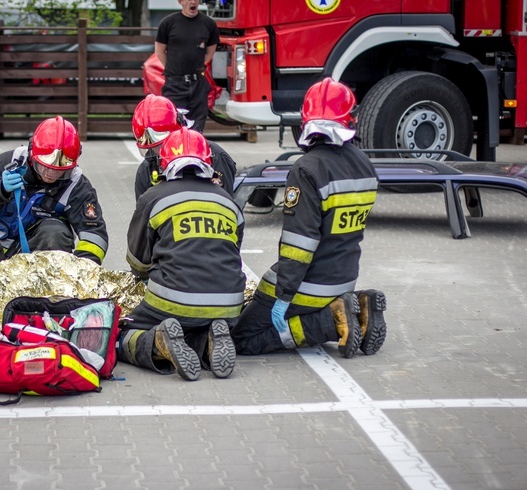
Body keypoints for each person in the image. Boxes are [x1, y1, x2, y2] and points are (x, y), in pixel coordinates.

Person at [231, 78, 387, 358]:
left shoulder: (307, 169)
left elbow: (299, 245)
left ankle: (330, 323)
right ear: (350, 119)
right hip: (345, 278)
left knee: (242, 339)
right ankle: (357, 312)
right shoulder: (364, 165)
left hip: (308, 286)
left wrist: (284, 296)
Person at [119, 127, 246, 381]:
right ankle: (208, 339)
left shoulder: (152, 197)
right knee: (193, 322)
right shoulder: (228, 202)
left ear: (164, 164)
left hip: (172, 300)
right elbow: (233, 250)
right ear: (207, 163)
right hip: (230, 305)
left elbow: (138, 261)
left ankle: (157, 341)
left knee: (121, 334)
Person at [0, 116, 108, 269]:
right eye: (44, 167)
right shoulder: (8, 162)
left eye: (60, 171)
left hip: (42, 254)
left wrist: (80, 270)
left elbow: (94, 234)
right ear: (31, 156)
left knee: (54, 233)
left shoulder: (77, 185)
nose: (50, 174)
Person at [132, 94, 236, 200]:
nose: (159, 152)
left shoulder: (215, 156)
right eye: (153, 147)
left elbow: (226, 203)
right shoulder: (147, 168)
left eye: (162, 144)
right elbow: (142, 212)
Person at [155, 0, 219, 132]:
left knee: (196, 128)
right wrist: (173, 69)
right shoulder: (168, 23)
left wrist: (196, 67)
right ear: (180, 2)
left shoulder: (209, 24)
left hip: (198, 84)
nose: (193, 2)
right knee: (174, 125)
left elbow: (209, 53)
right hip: (174, 85)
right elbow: (160, 51)